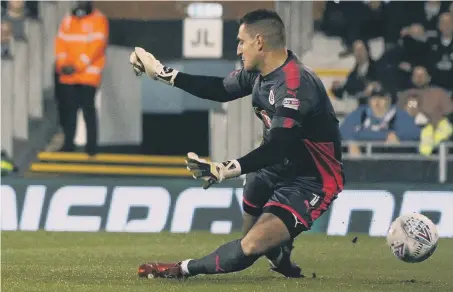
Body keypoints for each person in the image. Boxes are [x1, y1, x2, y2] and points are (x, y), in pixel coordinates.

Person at [130, 9, 345, 279]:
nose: (238, 48)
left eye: (242, 41)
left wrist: (226, 168)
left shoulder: (295, 85)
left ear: (259, 42)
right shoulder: (259, 73)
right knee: (254, 189)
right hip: (274, 167)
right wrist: (164, 73)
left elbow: (278, 146)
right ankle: (278, 251)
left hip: (311, 180)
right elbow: (220, 88)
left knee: (251, 246)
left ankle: (181, 269)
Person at [54, 1, 108, 155]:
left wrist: (76, 66)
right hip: (69, 75)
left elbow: (96, 46)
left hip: (88, 75)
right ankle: (69, 144)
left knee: (87, 109)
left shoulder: (98, 20)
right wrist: (63, 65)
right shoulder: (68, 20)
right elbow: (60, 43)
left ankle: (91, 148)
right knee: (69, 110)